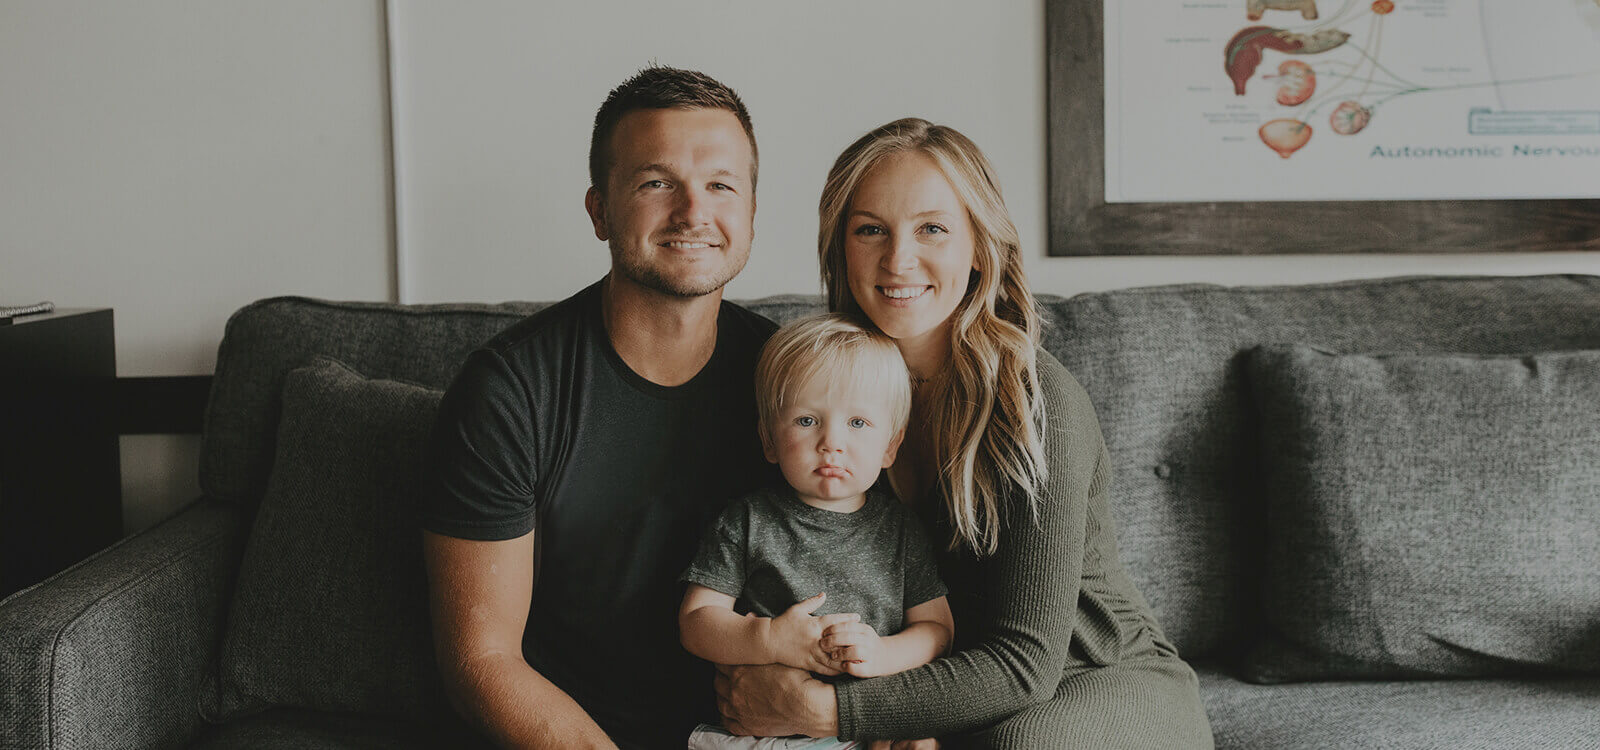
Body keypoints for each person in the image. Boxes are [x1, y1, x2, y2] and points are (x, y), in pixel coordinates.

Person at [712, 118, 1216, 748]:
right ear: (841, 248)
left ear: (979, 247)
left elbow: (1026, 663)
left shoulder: (1037, 405)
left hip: (1100, 680)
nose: (898, 259)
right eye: (870, 229)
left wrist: (827, 713)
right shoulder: (824, 397)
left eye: (932, 229)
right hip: (954, 681)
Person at [419, 66, 777, 749]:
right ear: (599, 210)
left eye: (721, 186)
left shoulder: (794, 381)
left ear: (752, 212)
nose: (694, 213)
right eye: (655, 182)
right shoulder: (510, 391)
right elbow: (480, 661)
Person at [679, 313, 954, 750]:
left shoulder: (900, 529)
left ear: (890, 446)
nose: (832, 442)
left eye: (857, 424)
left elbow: (937, 629)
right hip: (764, 730)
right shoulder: (747, 521)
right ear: (769, 439)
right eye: (807, 421)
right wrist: (769, 639)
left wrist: (883, 654)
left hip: (867, 723)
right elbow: (695, 623)